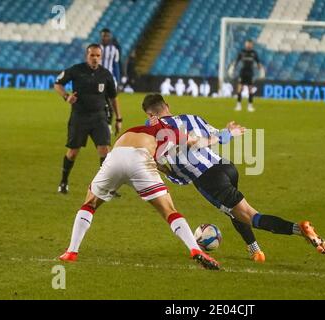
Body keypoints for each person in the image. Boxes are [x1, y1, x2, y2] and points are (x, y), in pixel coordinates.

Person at [142, 94, 325, 259]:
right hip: (226, 167)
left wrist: (162, 169)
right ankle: (254, 249)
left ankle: (299, 229)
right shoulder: (193, 118)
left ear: (151, 116)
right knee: (232, 210)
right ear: (167, 105)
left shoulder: (158, 132)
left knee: (251, 215)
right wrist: (229, 131)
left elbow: (181, 176)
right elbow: (218, 135)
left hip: (208, 179)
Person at [59, 119, 220, 270]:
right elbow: (195, 142)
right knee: (169, 211)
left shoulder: (134, 130)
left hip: (116, 156)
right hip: (140, 159)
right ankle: (195, 250)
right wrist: (217, 138)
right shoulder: (169, 130)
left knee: (89, 204)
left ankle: (71, 252)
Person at [54, 44, 122, 194]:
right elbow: (58, 84)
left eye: (98, 56)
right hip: (79, 117)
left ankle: (106, 186)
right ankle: (63, 182)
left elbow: (113, 98)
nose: (95, 58)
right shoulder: (76, 70)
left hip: (99, 117)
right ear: (87, 56)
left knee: (105, 150)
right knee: (72, 152)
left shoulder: (106, 74)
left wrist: (119, 119)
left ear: (101, 57)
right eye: (92, 55)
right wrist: (66, 96)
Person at [230, 40, 264, 112]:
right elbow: (236, 61)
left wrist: (261, 71)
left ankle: (250, 106)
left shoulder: (254, 53)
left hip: (250, 73)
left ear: (252, 45)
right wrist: (232, 68)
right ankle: (238, 105)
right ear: (245, 44)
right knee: (240, 88)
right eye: (247, 44)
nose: (248, 45)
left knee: (250, 89)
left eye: (250, 44)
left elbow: (258, 63)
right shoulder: (242, 52)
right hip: (242, 72)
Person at [100, 28, 121, 131]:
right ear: (101, 36)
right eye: (103, 35)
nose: (105, 38)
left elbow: (116, 66)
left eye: (107, 36)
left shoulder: (114, 50)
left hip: (110, 79)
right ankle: (99, 123)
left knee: (110, 102)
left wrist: (118, 81)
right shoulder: (96, 48)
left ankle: (108, 125)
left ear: (110, 37)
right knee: (98, 102)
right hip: (97, 79)